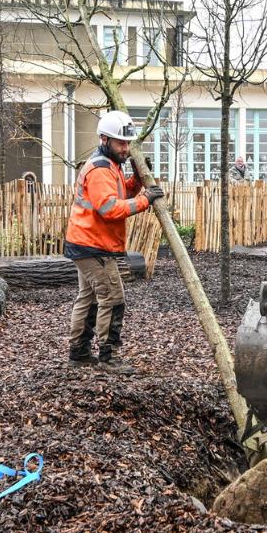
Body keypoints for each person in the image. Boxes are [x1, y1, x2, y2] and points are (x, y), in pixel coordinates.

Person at [64, 111, 165, 371]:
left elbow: (120, 193)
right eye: (121, 142)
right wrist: (145, 200)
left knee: (88, 298)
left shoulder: (111, 165)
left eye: (127, 143)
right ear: (104, 139)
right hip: (93, 244)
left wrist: (138, 181)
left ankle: (79, 353)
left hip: (86, 242)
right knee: (113, 297)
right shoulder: (100, 169)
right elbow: (110, 208)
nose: (126, 148)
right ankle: (109, 357)